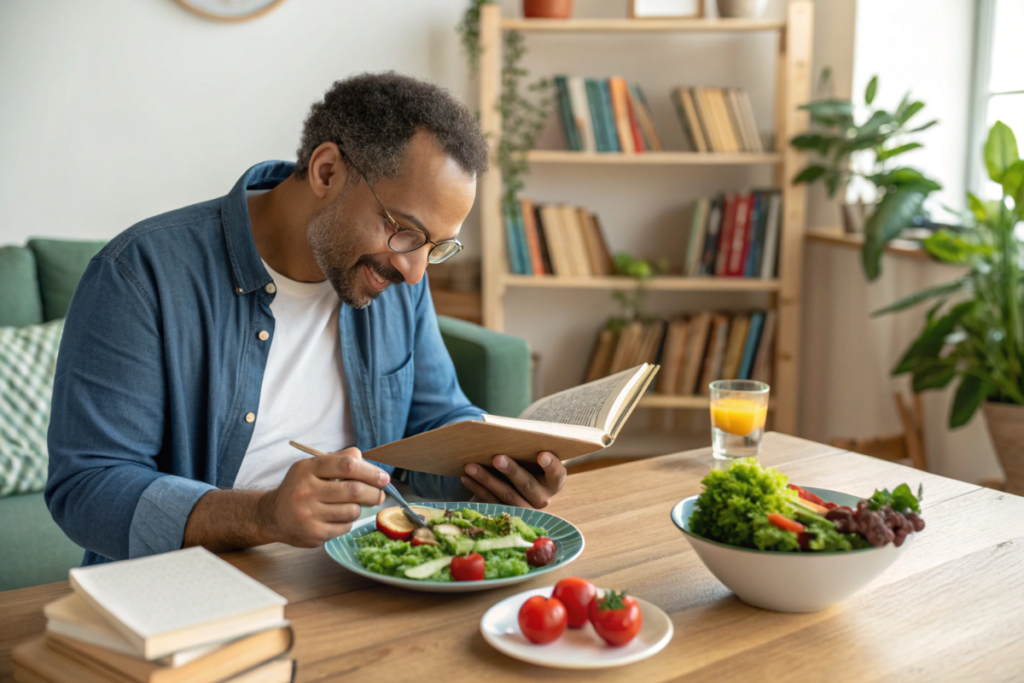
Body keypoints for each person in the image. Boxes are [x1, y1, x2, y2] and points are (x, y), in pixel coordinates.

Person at [46, 71, 566, 566]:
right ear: (326, 171)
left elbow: (433, 423)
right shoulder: (141, 274)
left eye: (436, 246)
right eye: (405, 231)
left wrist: (499, 470)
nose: (415, 271)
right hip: (182, 587)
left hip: (357, 574)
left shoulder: (399, 275)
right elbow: (87, 487)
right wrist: (263, 515)